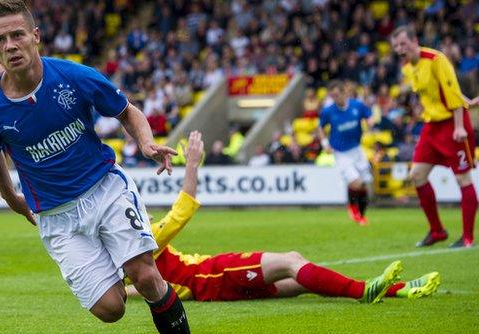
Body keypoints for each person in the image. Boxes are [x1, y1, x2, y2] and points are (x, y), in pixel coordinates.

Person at [0, 1, 195, 334]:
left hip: (105, 190)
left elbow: (126, 111)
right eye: (0, 39)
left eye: (17, 35)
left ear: (36, 37)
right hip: (56, 216)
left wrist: (146, 142)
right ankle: (115, 261)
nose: (10, 45)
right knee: (111, 310)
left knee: (148, 277)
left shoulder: (73, 77)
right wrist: (9, 195)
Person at [126, 131, 440, 303]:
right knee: (292, 259)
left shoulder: (125, 257)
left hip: (210, 285)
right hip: (213, 275)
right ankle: (364, 292)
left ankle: (398, 290)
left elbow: (131, 285)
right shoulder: (140, 240)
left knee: (298, 280)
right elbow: (182, 211)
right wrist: (192, 164)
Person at [391, 25, 479, 248]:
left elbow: (450, 91)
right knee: (416, 175)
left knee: (463, 179)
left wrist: (459, 126)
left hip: (453, 124)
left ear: (414, 40)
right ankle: (437, 231)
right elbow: (432, 95)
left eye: (403, 44)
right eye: (396, 46)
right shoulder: (407, 68)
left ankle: (467, 238)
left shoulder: (436, 59)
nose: (400, 49)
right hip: (431, 126)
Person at [317, 80, 376, 225]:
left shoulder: (357, 105)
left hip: (357, 149)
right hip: (341, 153)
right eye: (332, 96)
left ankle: (361, 215)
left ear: (344, 93)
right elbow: (319, 128)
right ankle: (352, 207)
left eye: (337, 95)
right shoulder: (328, 111)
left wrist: (370, 121)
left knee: (365, 184)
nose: (335, 98)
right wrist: (325, 143)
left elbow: (369, 116)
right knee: (357, 183)